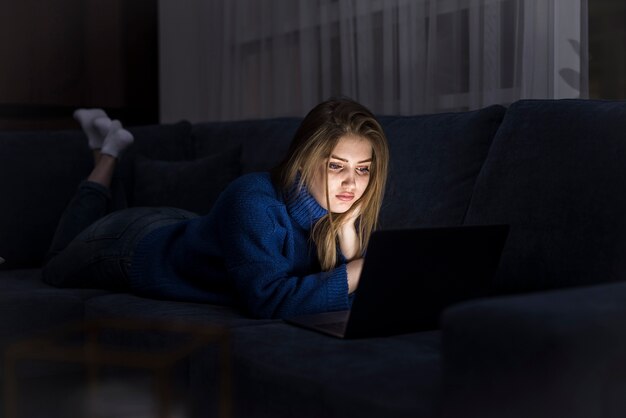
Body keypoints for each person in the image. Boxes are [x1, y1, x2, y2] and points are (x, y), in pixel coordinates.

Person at [43, 98, 390, 319]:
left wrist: (346, 236)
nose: (351, 184)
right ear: (304, 160)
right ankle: (107, 154)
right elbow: (268, 300)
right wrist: (360, 266)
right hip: (131, 247)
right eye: (335, 166)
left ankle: (103, 143)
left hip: (183, 226)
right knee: (57, 264)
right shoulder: (253, 201)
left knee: (103, 219)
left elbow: (334, 288)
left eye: (363, 169)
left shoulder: (341, 209)